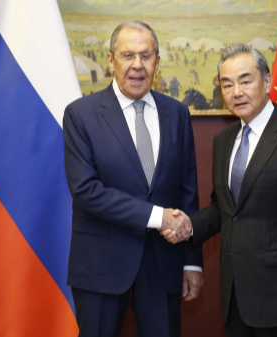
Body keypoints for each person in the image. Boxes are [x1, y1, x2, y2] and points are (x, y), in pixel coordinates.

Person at [162, 43, 277, 337]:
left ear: (266, 83)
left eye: (245, 80)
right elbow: (224, 208)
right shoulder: (223, 141)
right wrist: (188, 226)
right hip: (235, 296)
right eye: (227, 84)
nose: (236, 92)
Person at [63, 20, 203, 337]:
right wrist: (158, 217)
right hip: (101, 264)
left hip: (163, 263)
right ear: (111, 60)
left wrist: (192, 262)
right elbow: (86, 191)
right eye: (127, 55)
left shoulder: (177, 113)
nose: (137, 65)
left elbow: (187, 192)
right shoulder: (81, 114)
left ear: (157, 61)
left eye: (146, 55)